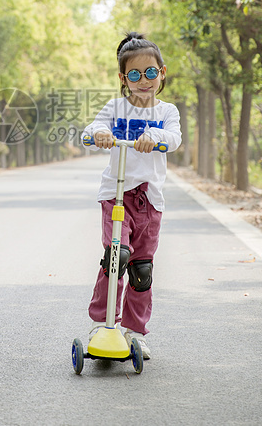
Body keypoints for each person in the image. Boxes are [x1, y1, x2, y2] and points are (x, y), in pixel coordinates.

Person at [82, 32, 182, 359]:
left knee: (141, 270)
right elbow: (89, 131)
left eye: (150, 73)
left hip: (149, 201)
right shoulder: (115, 108)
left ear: (162, 73)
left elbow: (175, 139)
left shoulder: (167, 112)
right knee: (116, 257)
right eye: (135, 75)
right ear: (124, 78)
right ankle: (102, 323)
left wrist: (154, 136)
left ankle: (134, 332)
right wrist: (99, 134)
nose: (144, 81)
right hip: (116, 195)